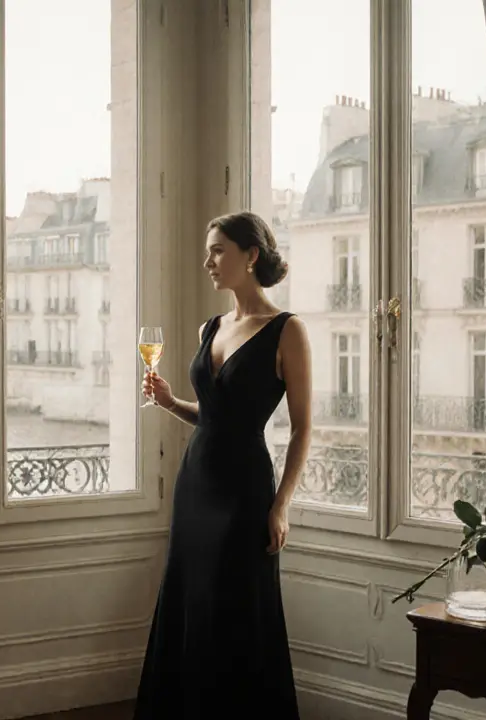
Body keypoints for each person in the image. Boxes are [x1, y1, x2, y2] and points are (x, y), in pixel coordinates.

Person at [133, 210, 311, 718]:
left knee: (235, 608)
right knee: (190, 600)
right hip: (196, 486)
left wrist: (281, 506)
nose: (208, 261)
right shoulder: (210, 327)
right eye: (208, 251)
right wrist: (170, 402)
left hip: (244, 491)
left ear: (250, 255)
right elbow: (214, 416)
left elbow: (302, 429)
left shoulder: (287, 331)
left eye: (218, 251)